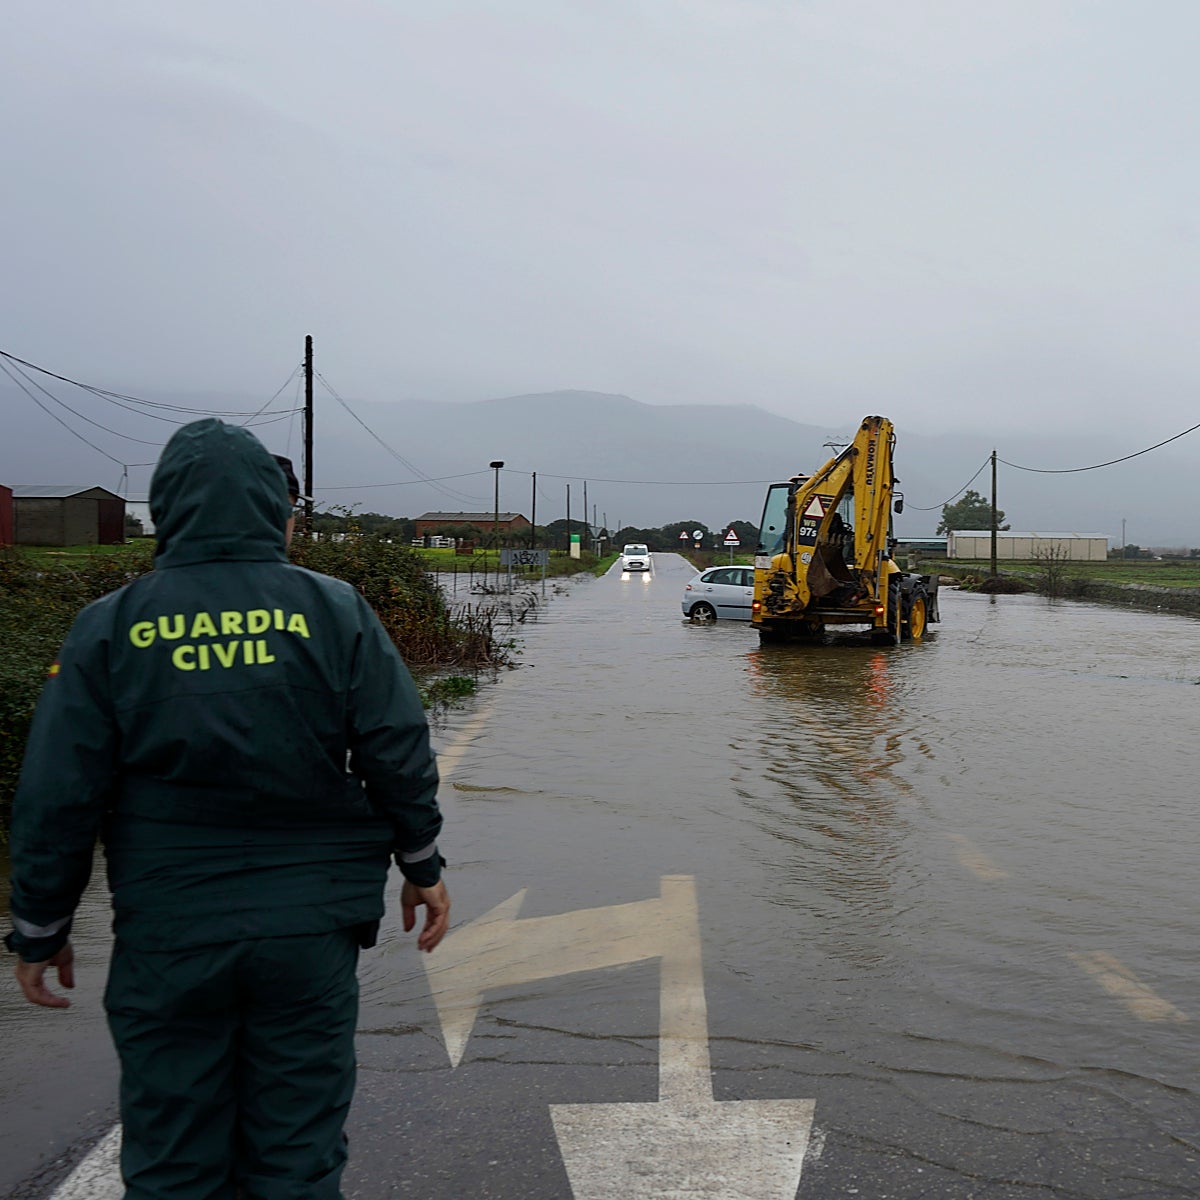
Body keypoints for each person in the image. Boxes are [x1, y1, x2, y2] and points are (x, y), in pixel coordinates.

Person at [6, 419, 450, 1199]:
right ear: (273, 510)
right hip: (308, 935)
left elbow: (57, 793)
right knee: (296, 1154)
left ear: (167, 509)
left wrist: (42, 924)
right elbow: (397, 748)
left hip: (170, 932)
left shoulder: (109, 626)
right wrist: (422, 864)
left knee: (174, 1160)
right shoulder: (334, 610)